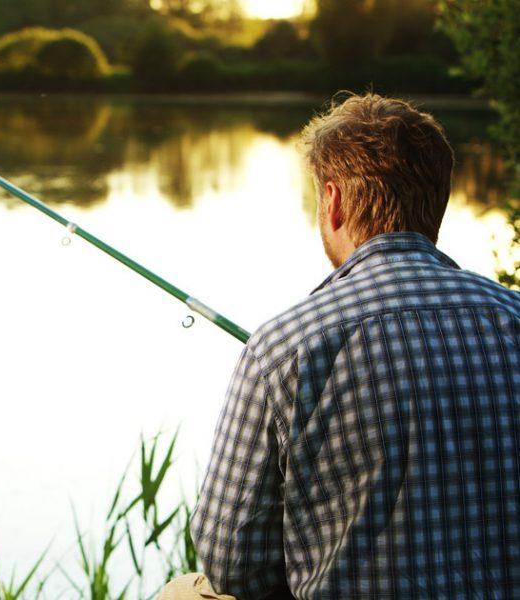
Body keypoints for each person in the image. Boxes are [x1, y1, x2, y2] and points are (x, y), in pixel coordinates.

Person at [160, 93, 520, 599]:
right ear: (437, 202)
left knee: (185, 592)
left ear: (332, 203)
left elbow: (231, 559)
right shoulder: (513, 316)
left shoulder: (283, 346)